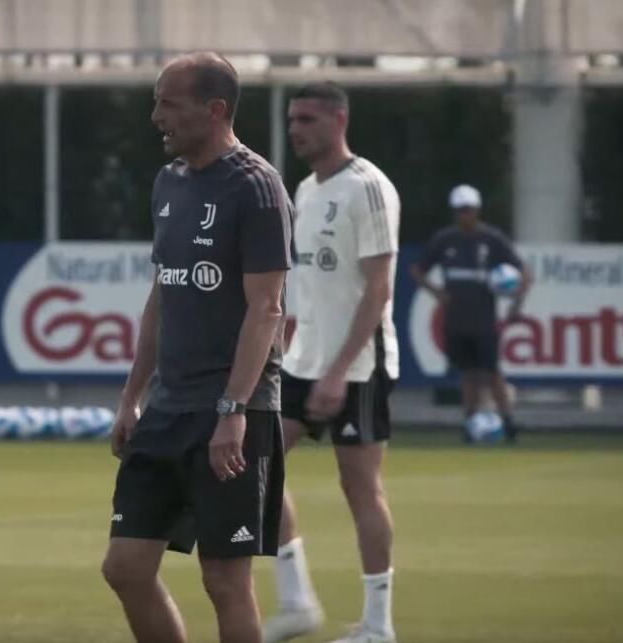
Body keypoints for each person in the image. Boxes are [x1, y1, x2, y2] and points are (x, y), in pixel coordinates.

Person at [101, 52, 294, 643]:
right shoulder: (169, 182)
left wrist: (233, 411)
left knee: (225, 580)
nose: (156, 116)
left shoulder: (256, 186)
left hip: (230, 411)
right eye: (156, 101)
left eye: (168, 103)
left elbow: (267, 309)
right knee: (125, 567)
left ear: (214, 110)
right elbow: (162, 294)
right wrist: (132, 396)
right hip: (166, 410)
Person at [262, 81, 402, 643]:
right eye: (292, 119)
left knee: (359, 486)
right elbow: (310, 284)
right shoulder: (305, 189)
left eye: (308, 119)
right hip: (304, 360)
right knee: (256, 464)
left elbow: (378, 288)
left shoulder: (368, 187)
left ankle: (377, 626)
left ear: (339, 121)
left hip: (359, 366)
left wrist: (339, 370)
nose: (295, 129)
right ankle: (296, 602)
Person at [410, 184, 531, 441]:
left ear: (477, 210)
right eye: (459, 210)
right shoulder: (445, 240)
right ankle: (470, 423)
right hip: (456, 321)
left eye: (468, 209)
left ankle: (508, 421)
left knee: (492, 372)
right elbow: (417, 270)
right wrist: (437, 293)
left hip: (484, 320)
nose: (463, 214)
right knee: (468, 374)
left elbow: (524, 273)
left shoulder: (492, 239)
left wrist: (516, 302)